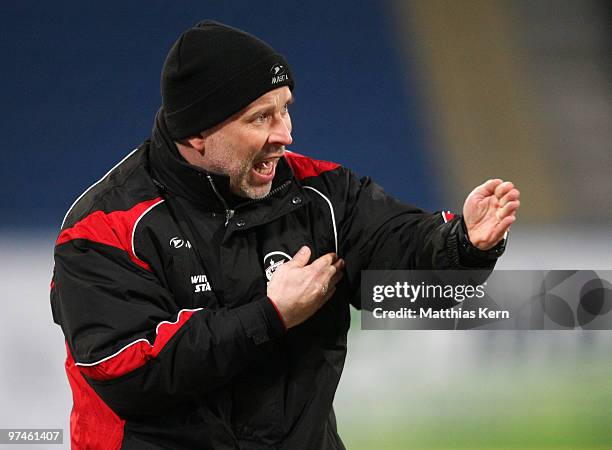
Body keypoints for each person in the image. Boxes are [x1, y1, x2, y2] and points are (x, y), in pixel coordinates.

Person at [50, 20, 520, 450]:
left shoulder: (324, 194)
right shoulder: (103, 228)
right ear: (197, 133)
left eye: (285, 110)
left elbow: (406, 276)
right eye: (261, 118)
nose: (286, 134)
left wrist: (464, 246)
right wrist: (270, 316)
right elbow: (130, 375)